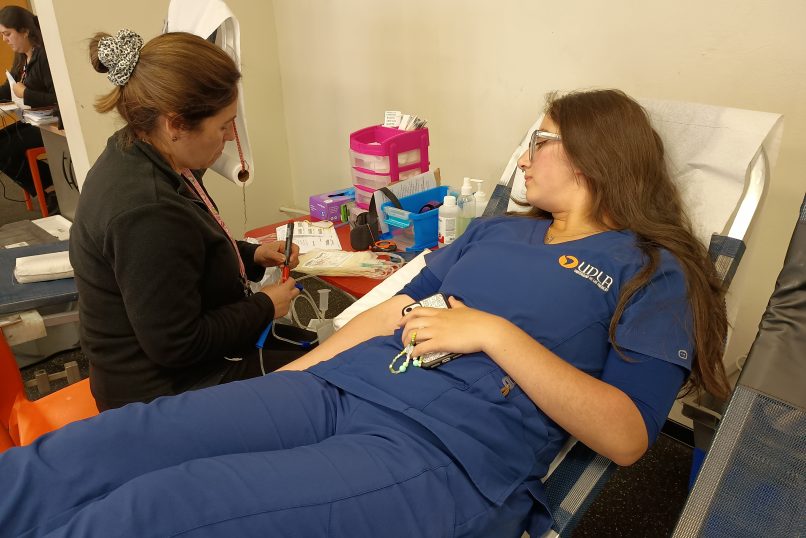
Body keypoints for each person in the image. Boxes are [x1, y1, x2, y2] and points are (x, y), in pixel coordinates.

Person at [0, 88, 729, 537]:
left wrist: (493, 333)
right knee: (117, 443)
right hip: (341, 387)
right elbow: (392, 311)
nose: (524, 157)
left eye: (541, 141)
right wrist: (290, 381)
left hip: (442, 448)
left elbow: (628, 437)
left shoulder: (651, 270)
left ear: (596, 156)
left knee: (160, 509)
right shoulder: (497, 231)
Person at [67, 30, 306, 411]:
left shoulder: (139, 151)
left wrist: (252, 255)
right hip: (157, 397)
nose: (230, 138)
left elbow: (181, 255)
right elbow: (178, 344)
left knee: (321, 353)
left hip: (178, 367)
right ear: (175, 125)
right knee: (329, 379)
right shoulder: (146, 211)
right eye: (223, 126)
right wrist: (263, 306)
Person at [0, 5, 58, 213]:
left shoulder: (44, 57)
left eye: (8, 34)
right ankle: (50, 187)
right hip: (33, 120)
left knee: (3, 149)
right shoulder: (22, 57)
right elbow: (8, 89)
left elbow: (57, 100)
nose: (5, 40)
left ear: (24, 31)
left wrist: (26, 93)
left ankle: (52, 190)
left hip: (51, 124)